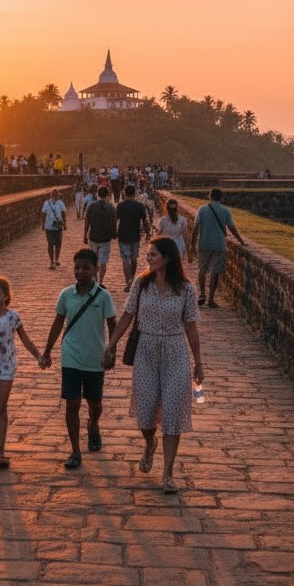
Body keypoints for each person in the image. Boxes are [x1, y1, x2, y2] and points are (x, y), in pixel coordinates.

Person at [104, 237, 203, 493]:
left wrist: (198, 362)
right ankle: (149, 444)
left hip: (175, 352)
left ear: (167, 258)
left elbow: (191, 326)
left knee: (173, 414)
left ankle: (168, 474)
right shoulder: (142, 283)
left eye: (153, 254)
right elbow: (127, 315)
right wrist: (112, 344)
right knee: (145, 415)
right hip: (146, 351)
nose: (149, 258)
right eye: (148, 254)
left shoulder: (186, 289)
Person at [40, 248, 117, 470]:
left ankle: (93, 425)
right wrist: (47, 351)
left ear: (95, 270)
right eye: (77, 267)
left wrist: (111, 350)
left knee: (95, 403)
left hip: (95, 357)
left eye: (85, 268)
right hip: (71, 355)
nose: (80, 272)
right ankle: (75, 451)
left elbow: (112, 324)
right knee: (71, 403)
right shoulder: (66, 295)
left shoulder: (103, 296)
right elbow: (58, 323)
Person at [0, 276, 44, 470]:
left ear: (6, 296)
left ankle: (1, 452)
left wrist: (38, 355)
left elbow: (25, 339)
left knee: (1, 405)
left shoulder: (13, 317)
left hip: (6, 365)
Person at [189, 188, 246, 308]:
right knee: (215, 272)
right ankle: (211, 299)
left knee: (202, 269)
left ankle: (202, 294)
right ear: (221, 197)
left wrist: (192, 245)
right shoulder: (225, 210)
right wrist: (241, 241)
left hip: (204, 243)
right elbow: (232, 228)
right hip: (218, 245)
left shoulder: (202, 209)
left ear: (210, 196)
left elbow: (195, 229)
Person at [115, 183, 150, 292]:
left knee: (126, 260)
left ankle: (128, 282)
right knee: (134, 259)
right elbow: (145, 222)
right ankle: (132, 280)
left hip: (123, 235)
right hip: (135, 235)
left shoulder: (120, 206)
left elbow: (115, 220)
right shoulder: (140, 206)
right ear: (134, 194)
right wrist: (148, 234)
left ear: (124, 193)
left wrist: (114, 232)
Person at [83, 185, 117, 288]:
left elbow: (87, 222)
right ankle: (100, 282)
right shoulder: (110, 207)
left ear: (98, 194)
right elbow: (113, 223)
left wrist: (85, 235)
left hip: (94, 237)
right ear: (107, 195)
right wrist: (113, 234)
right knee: (103, 262)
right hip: (105, 238)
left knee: (94, 260)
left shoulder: (92, 206)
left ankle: (95, 280)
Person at [41, 187, 68, 270]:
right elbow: (43, 214)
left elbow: (63, 214)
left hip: (57, 226)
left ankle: (55, 260)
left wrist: (64, 224)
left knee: (57, 244)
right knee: (51, 244)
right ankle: (52, 261)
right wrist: (43, 224)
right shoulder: (47, 203)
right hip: (49, 226)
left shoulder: (60, 203)